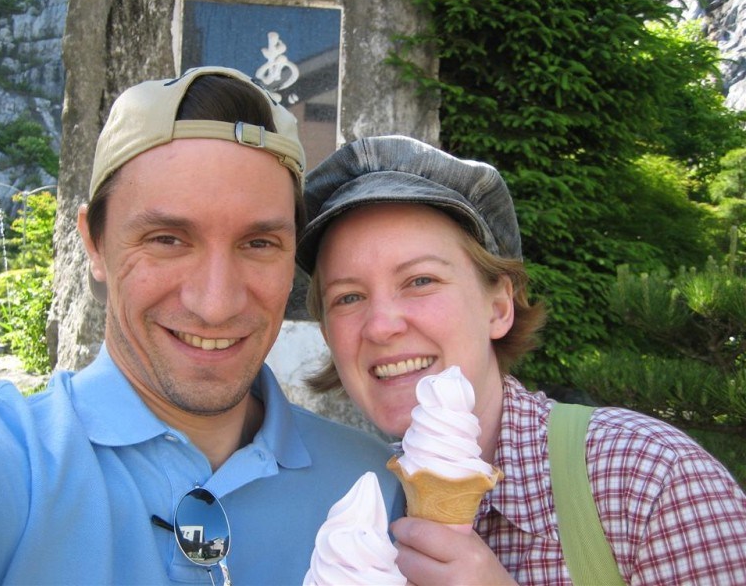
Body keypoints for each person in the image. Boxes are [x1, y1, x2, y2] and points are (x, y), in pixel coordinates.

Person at [0, 67, 404, 585]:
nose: (215, 304)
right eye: (167, 239)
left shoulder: (374, 487)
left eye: (259, 244)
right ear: (94, 244)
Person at [296, 135, 746, 585]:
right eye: (348, 296)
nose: (380, 325)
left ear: (499, 308)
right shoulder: (341, 514)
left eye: (420, 280)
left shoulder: (647, 478)